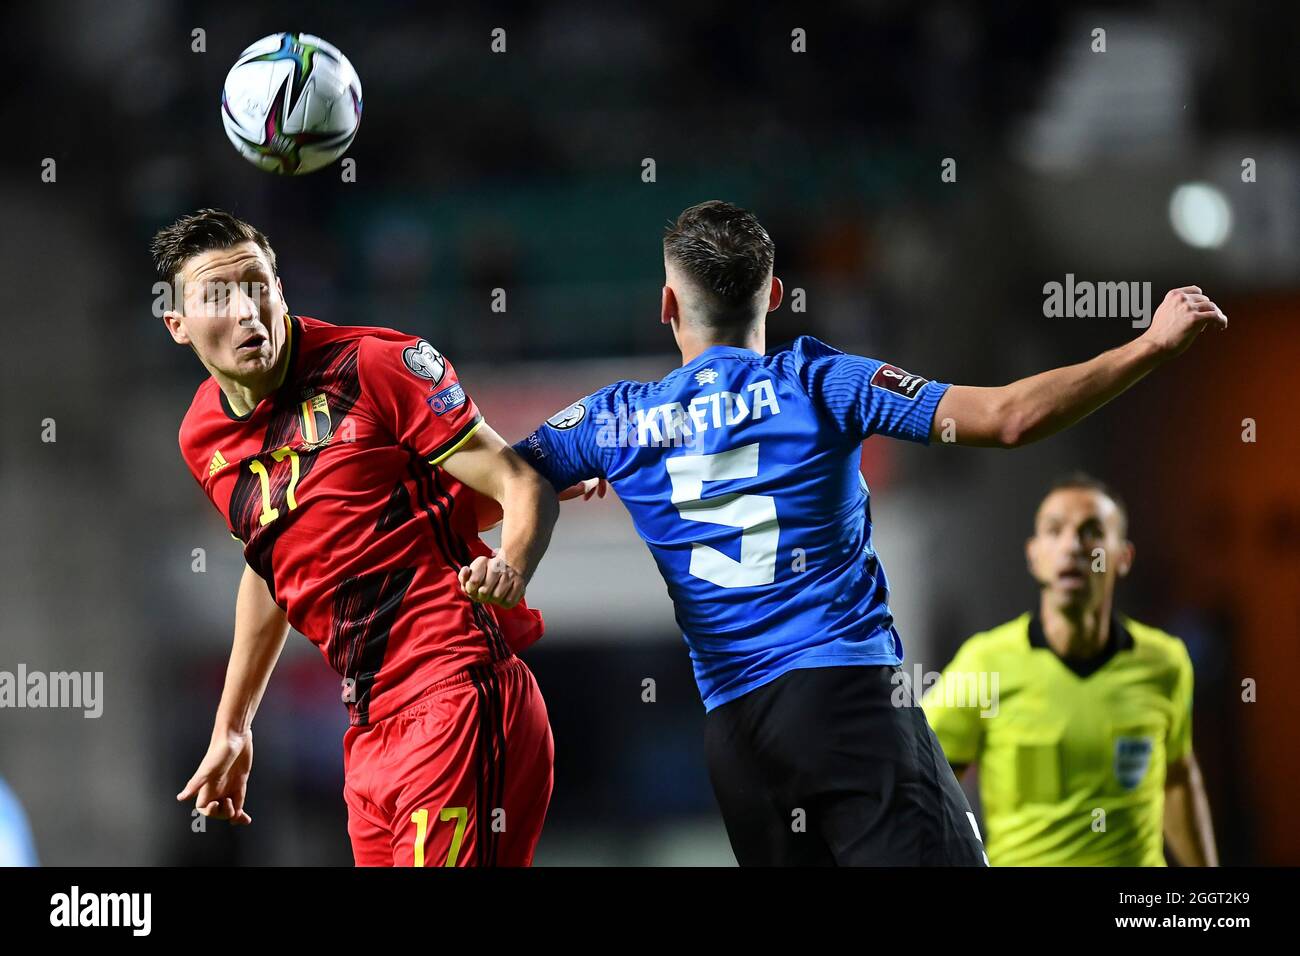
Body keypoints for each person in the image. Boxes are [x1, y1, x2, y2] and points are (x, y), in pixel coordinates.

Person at [512, 199, 1227, 865]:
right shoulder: (821, 382)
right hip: (845, 699)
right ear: (776, 295)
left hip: (736, 741)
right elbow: (1008, 418)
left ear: (667, 304)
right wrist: (1149, 348)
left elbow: (503, 476)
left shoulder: (619, 419)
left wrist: (533, 519)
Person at [154, 209, 557, 866]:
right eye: (216, 297)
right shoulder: (201, 435)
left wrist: (511, 564)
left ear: (281, 288)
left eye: (257, 285)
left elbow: (518, 481)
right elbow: (272, 568)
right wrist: (232, 726)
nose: (247, 312)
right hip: (368, 735)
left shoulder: (373, 365)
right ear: (178, 325)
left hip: (453, 692)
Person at [922, 474, 1219, 866]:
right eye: (1054, 530)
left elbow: (1177, 778)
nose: (1073, 546)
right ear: (1034, 555)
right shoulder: (985, 663)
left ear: (1123, 557)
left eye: (1092, 531)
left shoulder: (1165, 662)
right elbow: (921, 781)